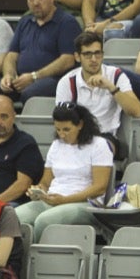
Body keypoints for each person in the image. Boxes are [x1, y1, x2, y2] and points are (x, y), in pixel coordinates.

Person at [13, 103, 114, 241]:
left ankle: (36, 253)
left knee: (44, 221)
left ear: (80, 125)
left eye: (66, 129)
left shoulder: (99, 145)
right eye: (58, 129)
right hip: (54, 199)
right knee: (14, 217)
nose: (61, 134)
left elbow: (99, 187)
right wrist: (38, 191)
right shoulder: (56, 145)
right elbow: (45, 182)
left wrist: (65, 200)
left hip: (84, 203)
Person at [0, 0, 80, 101]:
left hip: (55, 79)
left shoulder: (67, 22)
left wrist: (34, 76)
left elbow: (67, 60)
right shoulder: (25, 21)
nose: (35, 2)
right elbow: (11, 55)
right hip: (21, 79)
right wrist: (8, 75)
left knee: (30, 94)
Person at [56, 31, 140, 154]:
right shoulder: (67, 82)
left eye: (97, 53)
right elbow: (61, 119)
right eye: (87, 54)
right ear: (77, 57)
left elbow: (137, 111)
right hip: (77, 136)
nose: (94, 59)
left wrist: (111, 88)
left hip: (106, 137)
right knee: (58, 149)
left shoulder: (115, 75)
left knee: (100, 149)